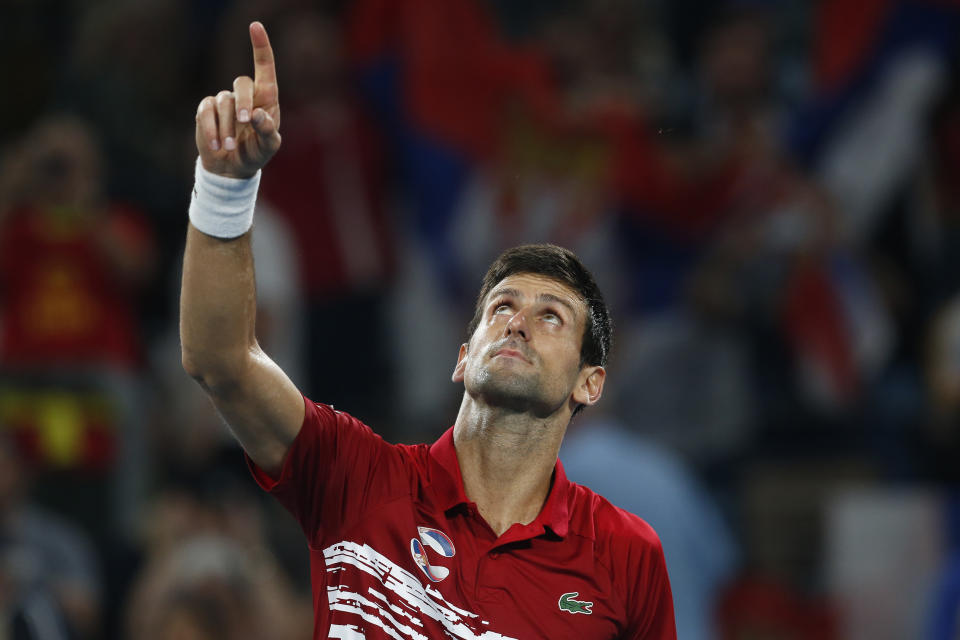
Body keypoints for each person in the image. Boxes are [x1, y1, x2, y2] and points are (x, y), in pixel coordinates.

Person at [180, 21, 675, 640]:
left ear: (590, 382)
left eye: (551, 316)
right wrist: (226, 186)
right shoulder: (358, 479)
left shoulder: (627, 552)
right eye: (500, 307)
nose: (518, 321)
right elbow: (220, 362)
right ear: (464, 357)